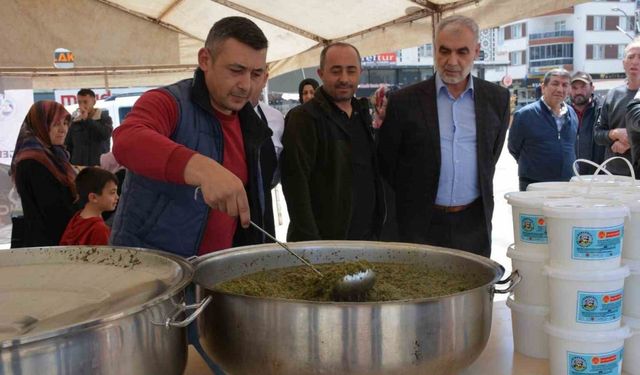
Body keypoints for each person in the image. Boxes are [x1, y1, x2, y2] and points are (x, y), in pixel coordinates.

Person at [110, 16, 275, 257]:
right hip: (151, 271)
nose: (246, 85)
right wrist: (202, 169)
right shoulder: (169, 101)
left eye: (256, 74)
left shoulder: (253, 124)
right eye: (236, 70)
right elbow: (127, 140)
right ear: (205, 60)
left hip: (219, 271)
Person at [377, 15, 510, 258]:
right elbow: (387, 168)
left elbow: (489, 158)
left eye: (462, 52)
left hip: (473, 226)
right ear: (434, 48)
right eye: (444, 51)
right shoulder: (404, 102)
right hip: (419, 228)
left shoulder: (497, 99)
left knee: (471, 294)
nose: (452, 61)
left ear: (476, 51)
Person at [281, 42, 385, 241]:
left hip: (366, 240)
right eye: (336, 71)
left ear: (360, 73)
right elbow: (295, 188)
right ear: (321, 73)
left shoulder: (362, 114)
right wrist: (313, 246)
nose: (344, 79)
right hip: (324, 246)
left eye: (351, 71)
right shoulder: (304, 118)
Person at [10, 101, 77, 247]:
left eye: (65, 123)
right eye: (56, 124)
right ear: (40, 125)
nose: (63, 130)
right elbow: (53, 210)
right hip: (47, 245)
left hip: (57, 239)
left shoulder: (55, 155)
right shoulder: (32, 161)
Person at [508, 69, 578, 191]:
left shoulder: (572, 113)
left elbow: (572, 146)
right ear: (543, 87)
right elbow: (514, 148)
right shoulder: (525, 115)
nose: (560, 89)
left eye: (565, 85)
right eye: (555, 84)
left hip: (567, 186)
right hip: (535, 186)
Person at [594, 38, 640, 176]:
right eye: (631, 57)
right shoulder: (612, 95)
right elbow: (597, 134)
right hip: (614, 176)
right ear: (623, 63)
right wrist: (614, 134)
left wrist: (632, 142)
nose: (635, 61)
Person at [60, 167, 119, 245]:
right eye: (112, 192)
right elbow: (104, 256)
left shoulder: (77, 217)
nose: (117, 197)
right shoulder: (100, 229)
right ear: (93, 197)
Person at [569, 71, 605, 175]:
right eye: (574, 88)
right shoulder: (563, 112)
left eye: (583, 87)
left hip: (597, 176)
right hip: (570, 178)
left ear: (592, 88)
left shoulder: (602, 110)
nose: (578, 91)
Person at [65, 88, 113, 166]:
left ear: (94, 102)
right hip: (78, 166)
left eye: (85, 102)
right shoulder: (75, 121)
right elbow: (68, 144)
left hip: (98, 166)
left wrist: (87, 120)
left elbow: (105, 134)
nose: (82, 105)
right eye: (79, 102)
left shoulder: (104, 118)